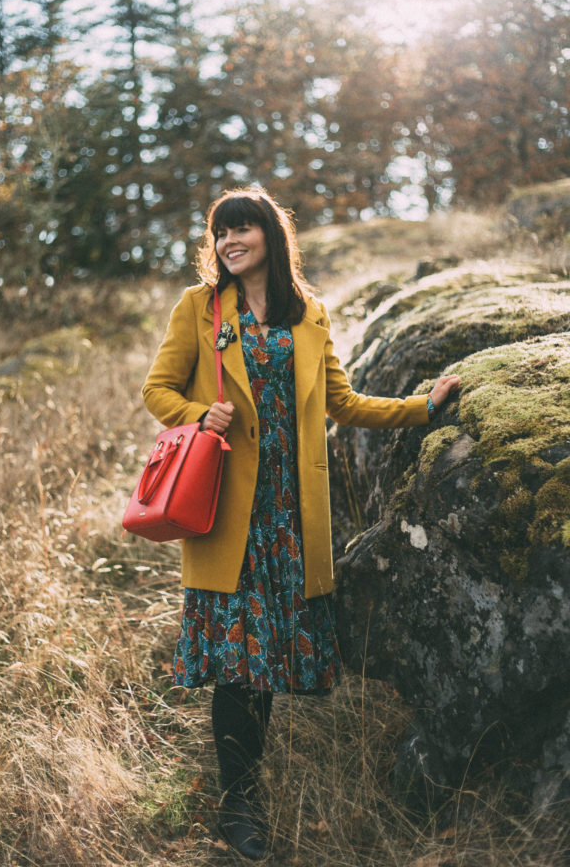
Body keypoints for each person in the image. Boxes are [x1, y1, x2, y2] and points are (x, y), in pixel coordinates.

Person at [142, 187, 460, 860]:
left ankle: (247, 788)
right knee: (236, 665)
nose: (230, 242)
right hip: (229, 513)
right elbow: (157, 390)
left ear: (270, 236)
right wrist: (199, 413)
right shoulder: (199, 309)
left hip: (290, 518)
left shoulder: (308, 315)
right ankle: (240, 807)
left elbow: (343, 403)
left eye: (243, 229)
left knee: (266, 665)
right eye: (220, 233)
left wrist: (421, 409)